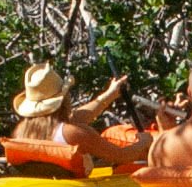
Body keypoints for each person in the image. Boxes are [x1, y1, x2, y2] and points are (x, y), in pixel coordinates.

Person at [8, 63, 140, 168]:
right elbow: (123, 156)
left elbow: (75, 119)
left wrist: (109, 95)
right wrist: (146, 140)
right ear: (63, 99)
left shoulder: (21, 130)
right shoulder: (73, 133)